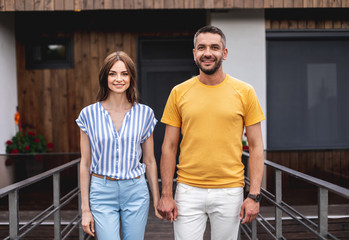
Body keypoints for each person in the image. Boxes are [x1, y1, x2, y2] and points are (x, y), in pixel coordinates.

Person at [157, 25, 265, 240]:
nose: (208, 53)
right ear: (194, 53)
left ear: (224, 53)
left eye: (214, 47)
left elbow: (256, 147)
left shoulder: (245, 92)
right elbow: (169, 146)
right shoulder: (179, 92)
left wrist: (253, 195)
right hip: (187, 190)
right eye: (202, 47)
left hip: (230, 191)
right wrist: (166, 194)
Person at [76, 51, 163, 240]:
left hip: (136, 191)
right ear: (104, 77)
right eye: (112, 73)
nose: (118, 79)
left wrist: (156, 199)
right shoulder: (88, 115)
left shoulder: (145, 114)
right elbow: (85, 163)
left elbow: (149, 160)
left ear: (131, 77)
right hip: (101, 191)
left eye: (124, 74)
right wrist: (85, 209)